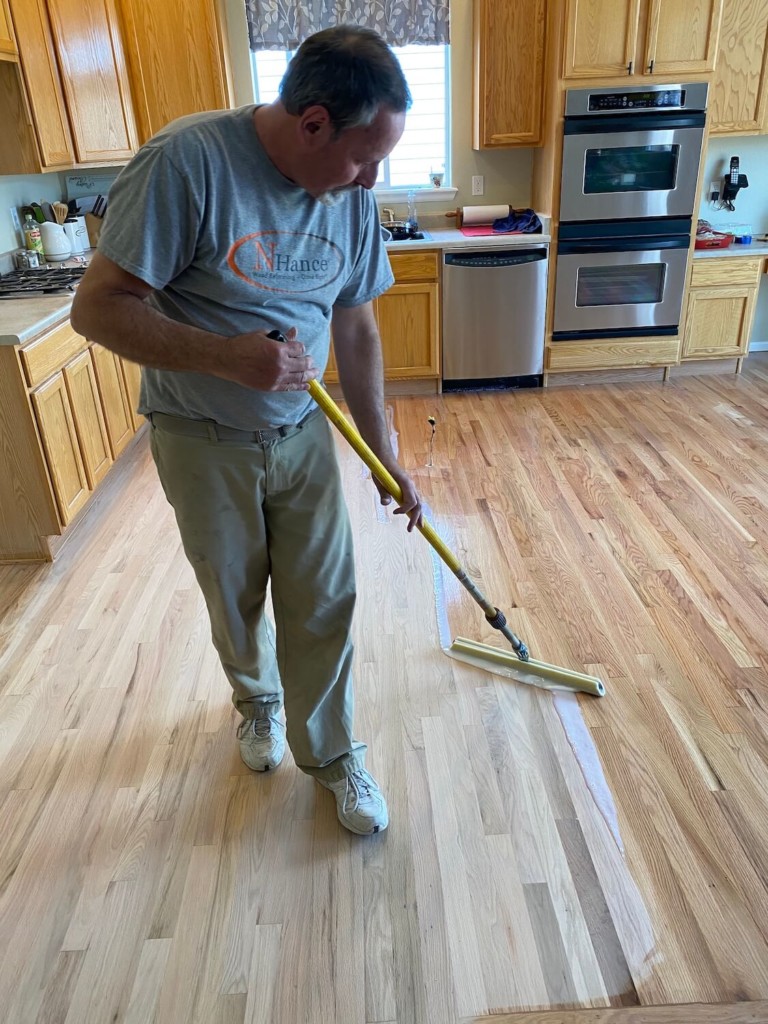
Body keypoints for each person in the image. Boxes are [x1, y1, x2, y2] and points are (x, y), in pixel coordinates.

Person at [70, 25, 423, 837]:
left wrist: (382, 454)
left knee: (325, 596)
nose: (372, 180)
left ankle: (332, 752)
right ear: (312, 124)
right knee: (235, 598)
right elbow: (99, 308)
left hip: (303, 432)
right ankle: (257, 701)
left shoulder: (351, 199)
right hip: (201, 436)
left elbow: (358, 328)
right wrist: (227, 359)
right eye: (363, 157)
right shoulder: (186, 165)